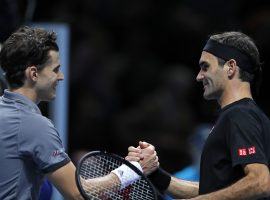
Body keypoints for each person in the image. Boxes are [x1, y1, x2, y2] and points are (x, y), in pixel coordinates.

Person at [0, 26, 158, 199]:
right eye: (55, 69)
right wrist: (131, 170)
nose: (61, 76)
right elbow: (78, 193)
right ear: (33, 73)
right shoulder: (35, 125)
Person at [128, 31, 270, 199]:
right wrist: (156, 175)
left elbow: (261, 182)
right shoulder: (243, 114)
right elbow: (213, 192)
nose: (198, 76)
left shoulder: (240, 115)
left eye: (205, 67)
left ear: (231, 67)